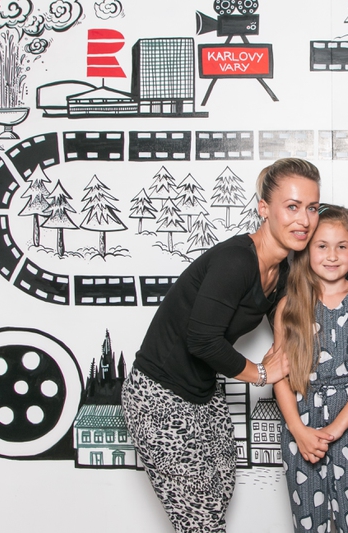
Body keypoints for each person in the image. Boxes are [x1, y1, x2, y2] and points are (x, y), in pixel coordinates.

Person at [121, 158, 321, 532]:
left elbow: (277, 308)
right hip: (158, 395)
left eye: (312, 208)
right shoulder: (236, 260)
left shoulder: (281, 267)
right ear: (264, 208)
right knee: (200, 521)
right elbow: (201, 340)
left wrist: (286, 331)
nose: (304, 220)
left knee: (216, 497)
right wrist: (261, 374)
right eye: (292, 207)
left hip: (203, 391)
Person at [273, 204, 348, 533]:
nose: (332, 256)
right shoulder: (289, 306)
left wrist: (335, 431)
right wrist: (299, 431)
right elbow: (279, 376)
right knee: (308, 521)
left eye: (341, 246)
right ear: (306, 251)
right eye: (322, 246)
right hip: (301, 427)